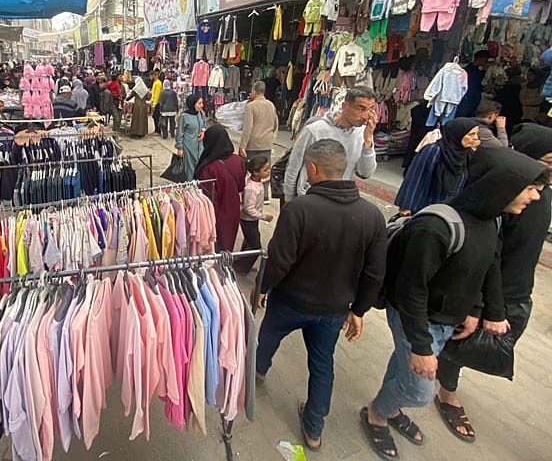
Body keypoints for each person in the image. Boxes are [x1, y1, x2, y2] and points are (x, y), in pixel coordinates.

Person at [362, 148, 547, 460]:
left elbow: (488, 266)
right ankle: (377, 413)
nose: (536, 198)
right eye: (531, 189)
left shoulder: (492, 222)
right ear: (503, 184)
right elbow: (410, 291)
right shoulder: (436, 227)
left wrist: (481, 312)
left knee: (404, 368)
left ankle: (390, 407)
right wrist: (421, 346)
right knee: (420, 391)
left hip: (448, 320)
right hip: (417, 319)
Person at [257, 139, 387, 450]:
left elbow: (279, 259)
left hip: (289, 301)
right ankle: (314, 430)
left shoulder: (300, 209)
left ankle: (255, 374)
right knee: (322, 363)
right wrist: (359, 311)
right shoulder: (372, 216)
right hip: (334, 309)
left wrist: (262, 288)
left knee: (267, 338)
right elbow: (375, 272)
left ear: (312, 168)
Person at [435, 124, 552, 442]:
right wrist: (485, 307)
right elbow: (488, 258)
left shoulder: (539, 195)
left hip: (518, 289)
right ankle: (446, 392)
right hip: (491, 291)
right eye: (549, 161)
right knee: (460, 342)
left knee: (484, 347)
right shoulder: (502, 200)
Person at [284, 86, 378, 203]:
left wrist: (368, 142)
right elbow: (294, 165)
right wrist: (288, 201)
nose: (365, 116)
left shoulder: (362, 134)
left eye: (370, 110)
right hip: (309, 199)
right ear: (345, 106)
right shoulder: (314, 130)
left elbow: (365, 173)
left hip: (340, 200)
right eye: (361, 109)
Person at [395, 118, 480, 215]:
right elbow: (416, 177)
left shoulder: (466, 155)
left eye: (476, 134)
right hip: (426, 208)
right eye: (471, 134)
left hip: (449, 211)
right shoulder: (434, 150)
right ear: (458, 134)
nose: (476, 138)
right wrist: (406, 206)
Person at [194, 124, 246, 251]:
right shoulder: (238, 161)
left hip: (214, 215)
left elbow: (205, 197)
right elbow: (240, 186)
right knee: (227, 246)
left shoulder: (209, 168)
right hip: (233, 210)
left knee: (213, 247)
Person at [239, 81, 279, 202]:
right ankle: (265, 195)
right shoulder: (271, 105)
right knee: (265, 169)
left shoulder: (251, 106)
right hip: (266, 143)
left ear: (254, 92)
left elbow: (247, 128)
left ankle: (246, 193)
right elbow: (275, 124)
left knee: (246, 169)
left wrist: (242, 146)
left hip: (252, 144)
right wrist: (272, 138)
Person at [234, 154, 273, 275]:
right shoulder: (251, 189)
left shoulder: (255, 181)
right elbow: (248, 208)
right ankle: (242, 267)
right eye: (265, 170)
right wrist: (264, 216)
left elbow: (261, 181)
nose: (268, 171)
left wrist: (268, 178)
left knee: (249, 241)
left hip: (252, 219)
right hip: (248, 219)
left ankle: (240, 262)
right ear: (256, 172)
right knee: (256, 246)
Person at [176, 95, 206, 181]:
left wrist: (203, 131)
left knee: (200, 165)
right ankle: (189, 186)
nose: (202, 105)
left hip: (200, 146)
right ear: (193, 104)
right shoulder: (184, 117)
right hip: (188, 146)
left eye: (202, 103)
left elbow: (204, 123)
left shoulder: (201, 113)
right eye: (199, 103)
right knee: (190, 168)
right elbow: (179, 133)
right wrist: (180, 148)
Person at [456, 50, 490, 118]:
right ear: (480, 58)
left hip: (475, 98)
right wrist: (483, 71)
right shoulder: (469, 70)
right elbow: (475, 81)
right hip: (467, 97)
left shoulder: (478, 70)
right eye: (486, 60)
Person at [494, 66, 524, 135]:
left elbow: (503, 97)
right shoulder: (522, 83)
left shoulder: (512, 84)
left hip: (509, 109)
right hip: (516, 109)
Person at [149, 70, 163, 134]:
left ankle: (158, 130)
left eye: (151, 76)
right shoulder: (155, 82)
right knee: (154, 117)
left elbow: (157, 95)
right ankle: (156, 130)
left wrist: (154, 104)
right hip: (154, 102)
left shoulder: (158, 83)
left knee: (156, 117)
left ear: (154, 75)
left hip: (157, 103)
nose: (150, 77)